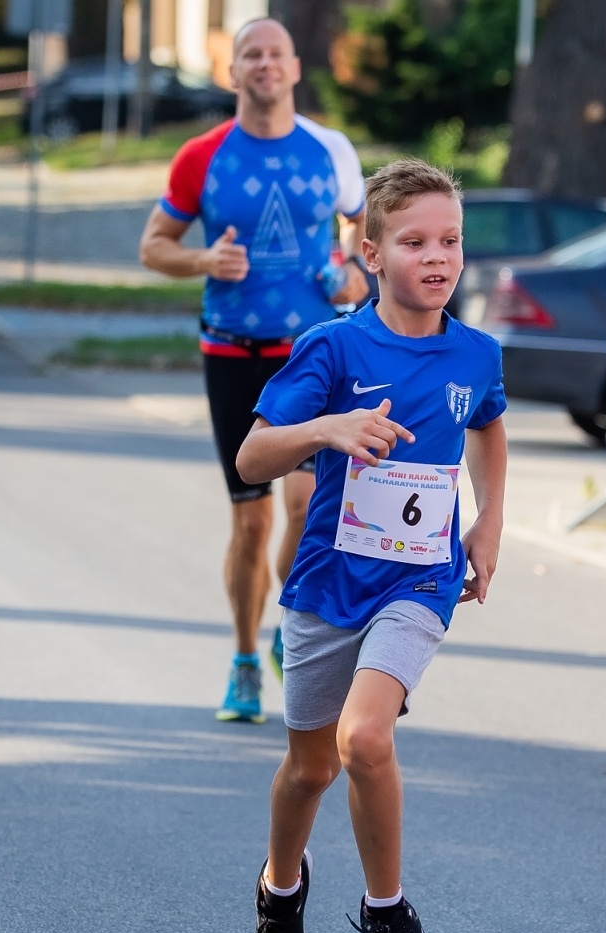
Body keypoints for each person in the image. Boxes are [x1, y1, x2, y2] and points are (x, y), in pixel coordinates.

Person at [234, 158, 507, 933]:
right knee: (309, 768)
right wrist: (330, 427)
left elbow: (488, 424)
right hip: (327, 582)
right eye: (415, 241)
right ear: (373, 252)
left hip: (419, 581)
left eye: (451, 240)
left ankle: (387, 910)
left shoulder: (477, 353)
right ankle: (281, 890)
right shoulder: (334, 347)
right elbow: (252, 457)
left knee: (365, 739)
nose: (438, 257)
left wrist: (489, 520)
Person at [138, 18, 369, 724]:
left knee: (305, 509)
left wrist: (351, 272)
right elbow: (154, 245)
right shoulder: (202, 156)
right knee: (250, 521)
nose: (265, 65)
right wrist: (204, 260)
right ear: (232, 71)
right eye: (251, 55)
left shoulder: (331, 150)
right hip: (232, 352)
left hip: (310, 356)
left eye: (275, 54)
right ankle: (243, 659)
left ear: (295, 67)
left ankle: (285, 630)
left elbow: (362, 229)